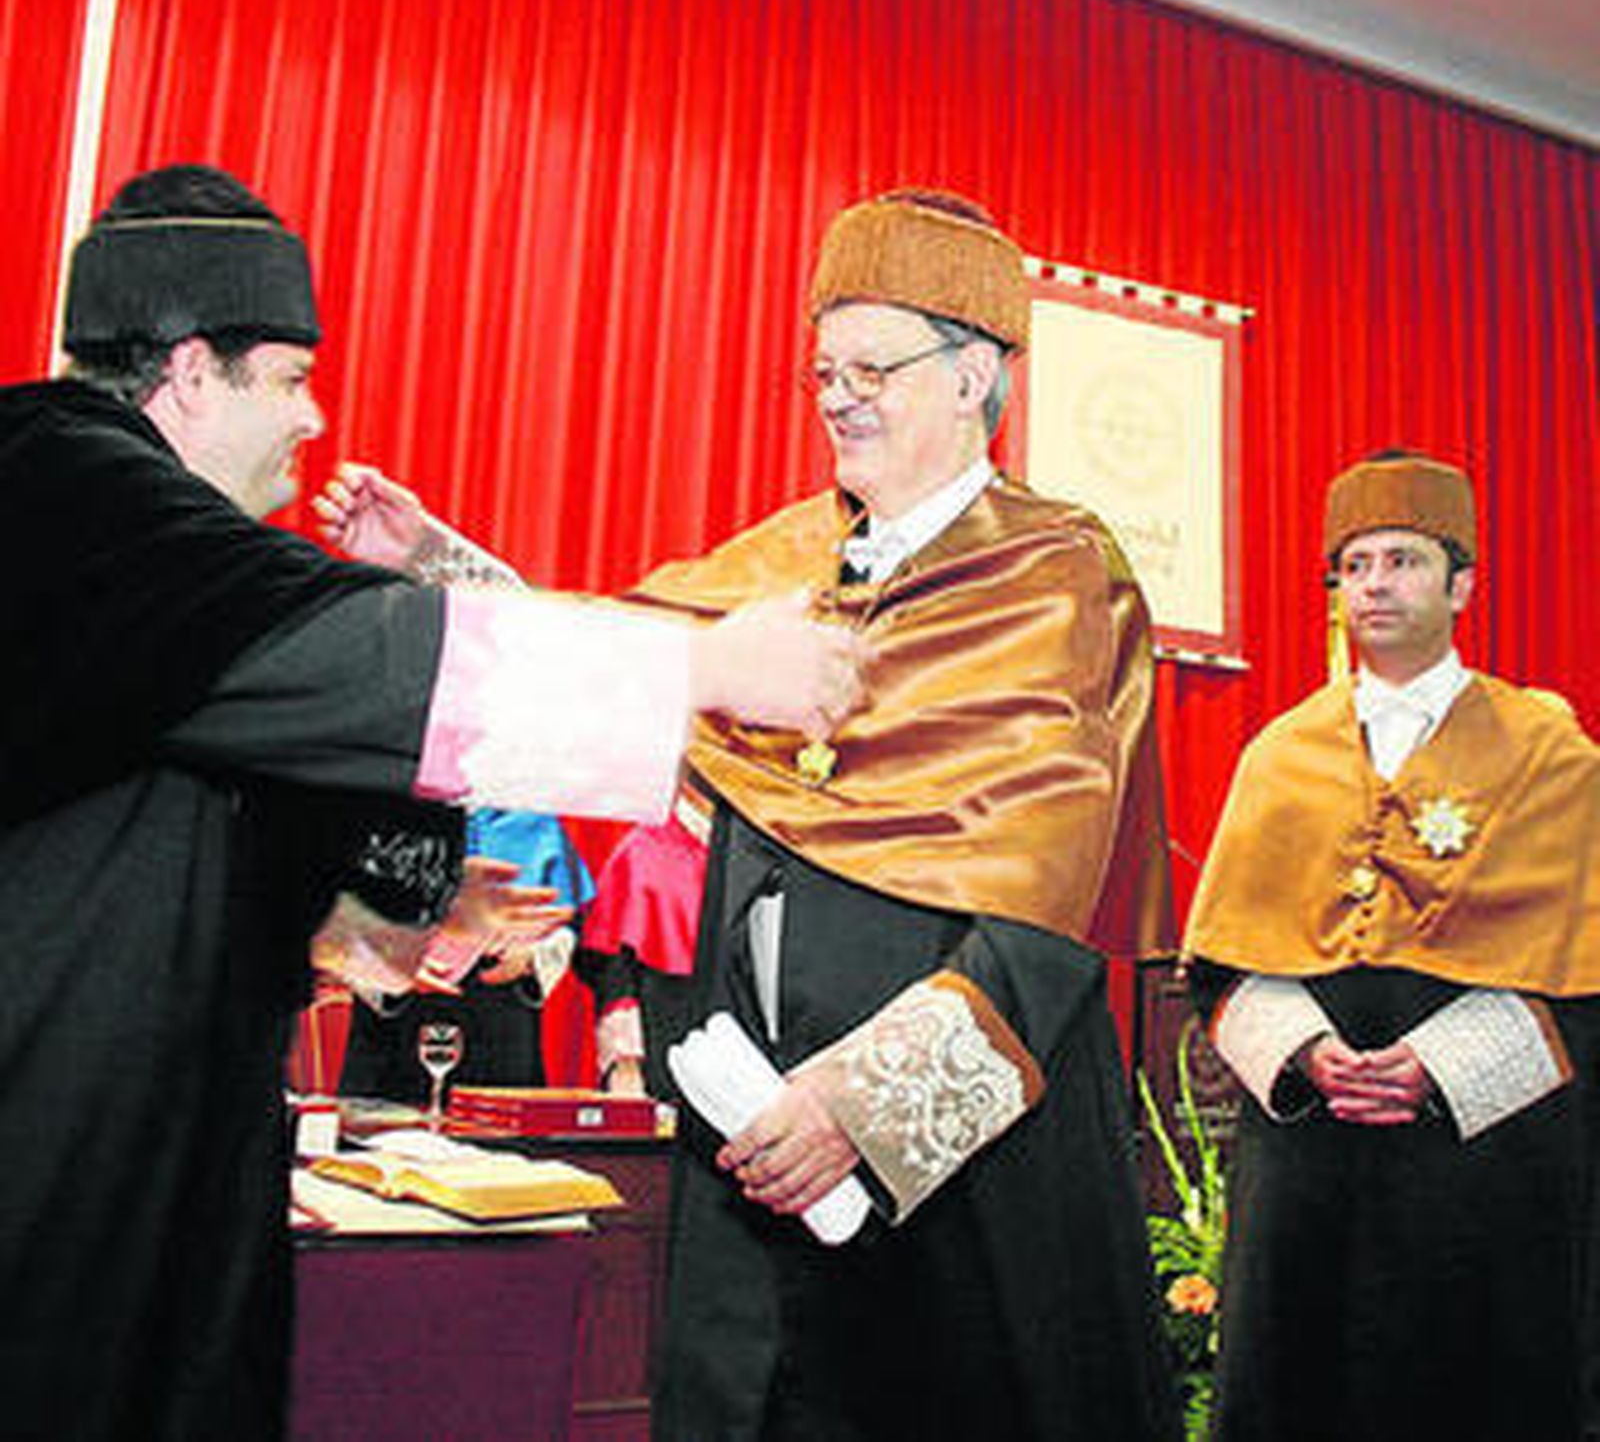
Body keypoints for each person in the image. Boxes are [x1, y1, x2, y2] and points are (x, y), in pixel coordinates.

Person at [0, 162, 865, 1442]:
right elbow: (354, 655)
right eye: (289, 378)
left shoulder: (140, 552)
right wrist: (706, 668)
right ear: (188, 373)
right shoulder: (65, 489)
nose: (313, 418)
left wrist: (371, 904)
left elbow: (200, 799)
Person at [319, 188, 1181, 1440]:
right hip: (747, 1136)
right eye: (823, 371)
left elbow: (1047, 919)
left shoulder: (1056, 575)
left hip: (949, 1173)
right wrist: (433, 567)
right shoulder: (784, 557)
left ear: (973, 377)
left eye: (872, 368)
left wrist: (857, 1108)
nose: (838, 398)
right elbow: (629, 660)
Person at [1182, 452, 1600, 1442]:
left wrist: (1443, 1065)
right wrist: (1304, 1052)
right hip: (1309, 1151)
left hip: (1482, 1163)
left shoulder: (1551, 753)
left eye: (1403, 560)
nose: (1373, 584)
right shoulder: (1278, 753)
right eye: (1355, 565)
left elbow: (1583, 976)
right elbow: (1221, 966)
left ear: (1461, 586)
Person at [339, 808, 595, 1101]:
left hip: (499, 1010)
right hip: (398, 1012)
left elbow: (567, 919)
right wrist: (383, 964)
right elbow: (340, 909)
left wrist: (532, 957)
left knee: (498, 1122)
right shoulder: (385, 810)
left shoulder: (532, 817)